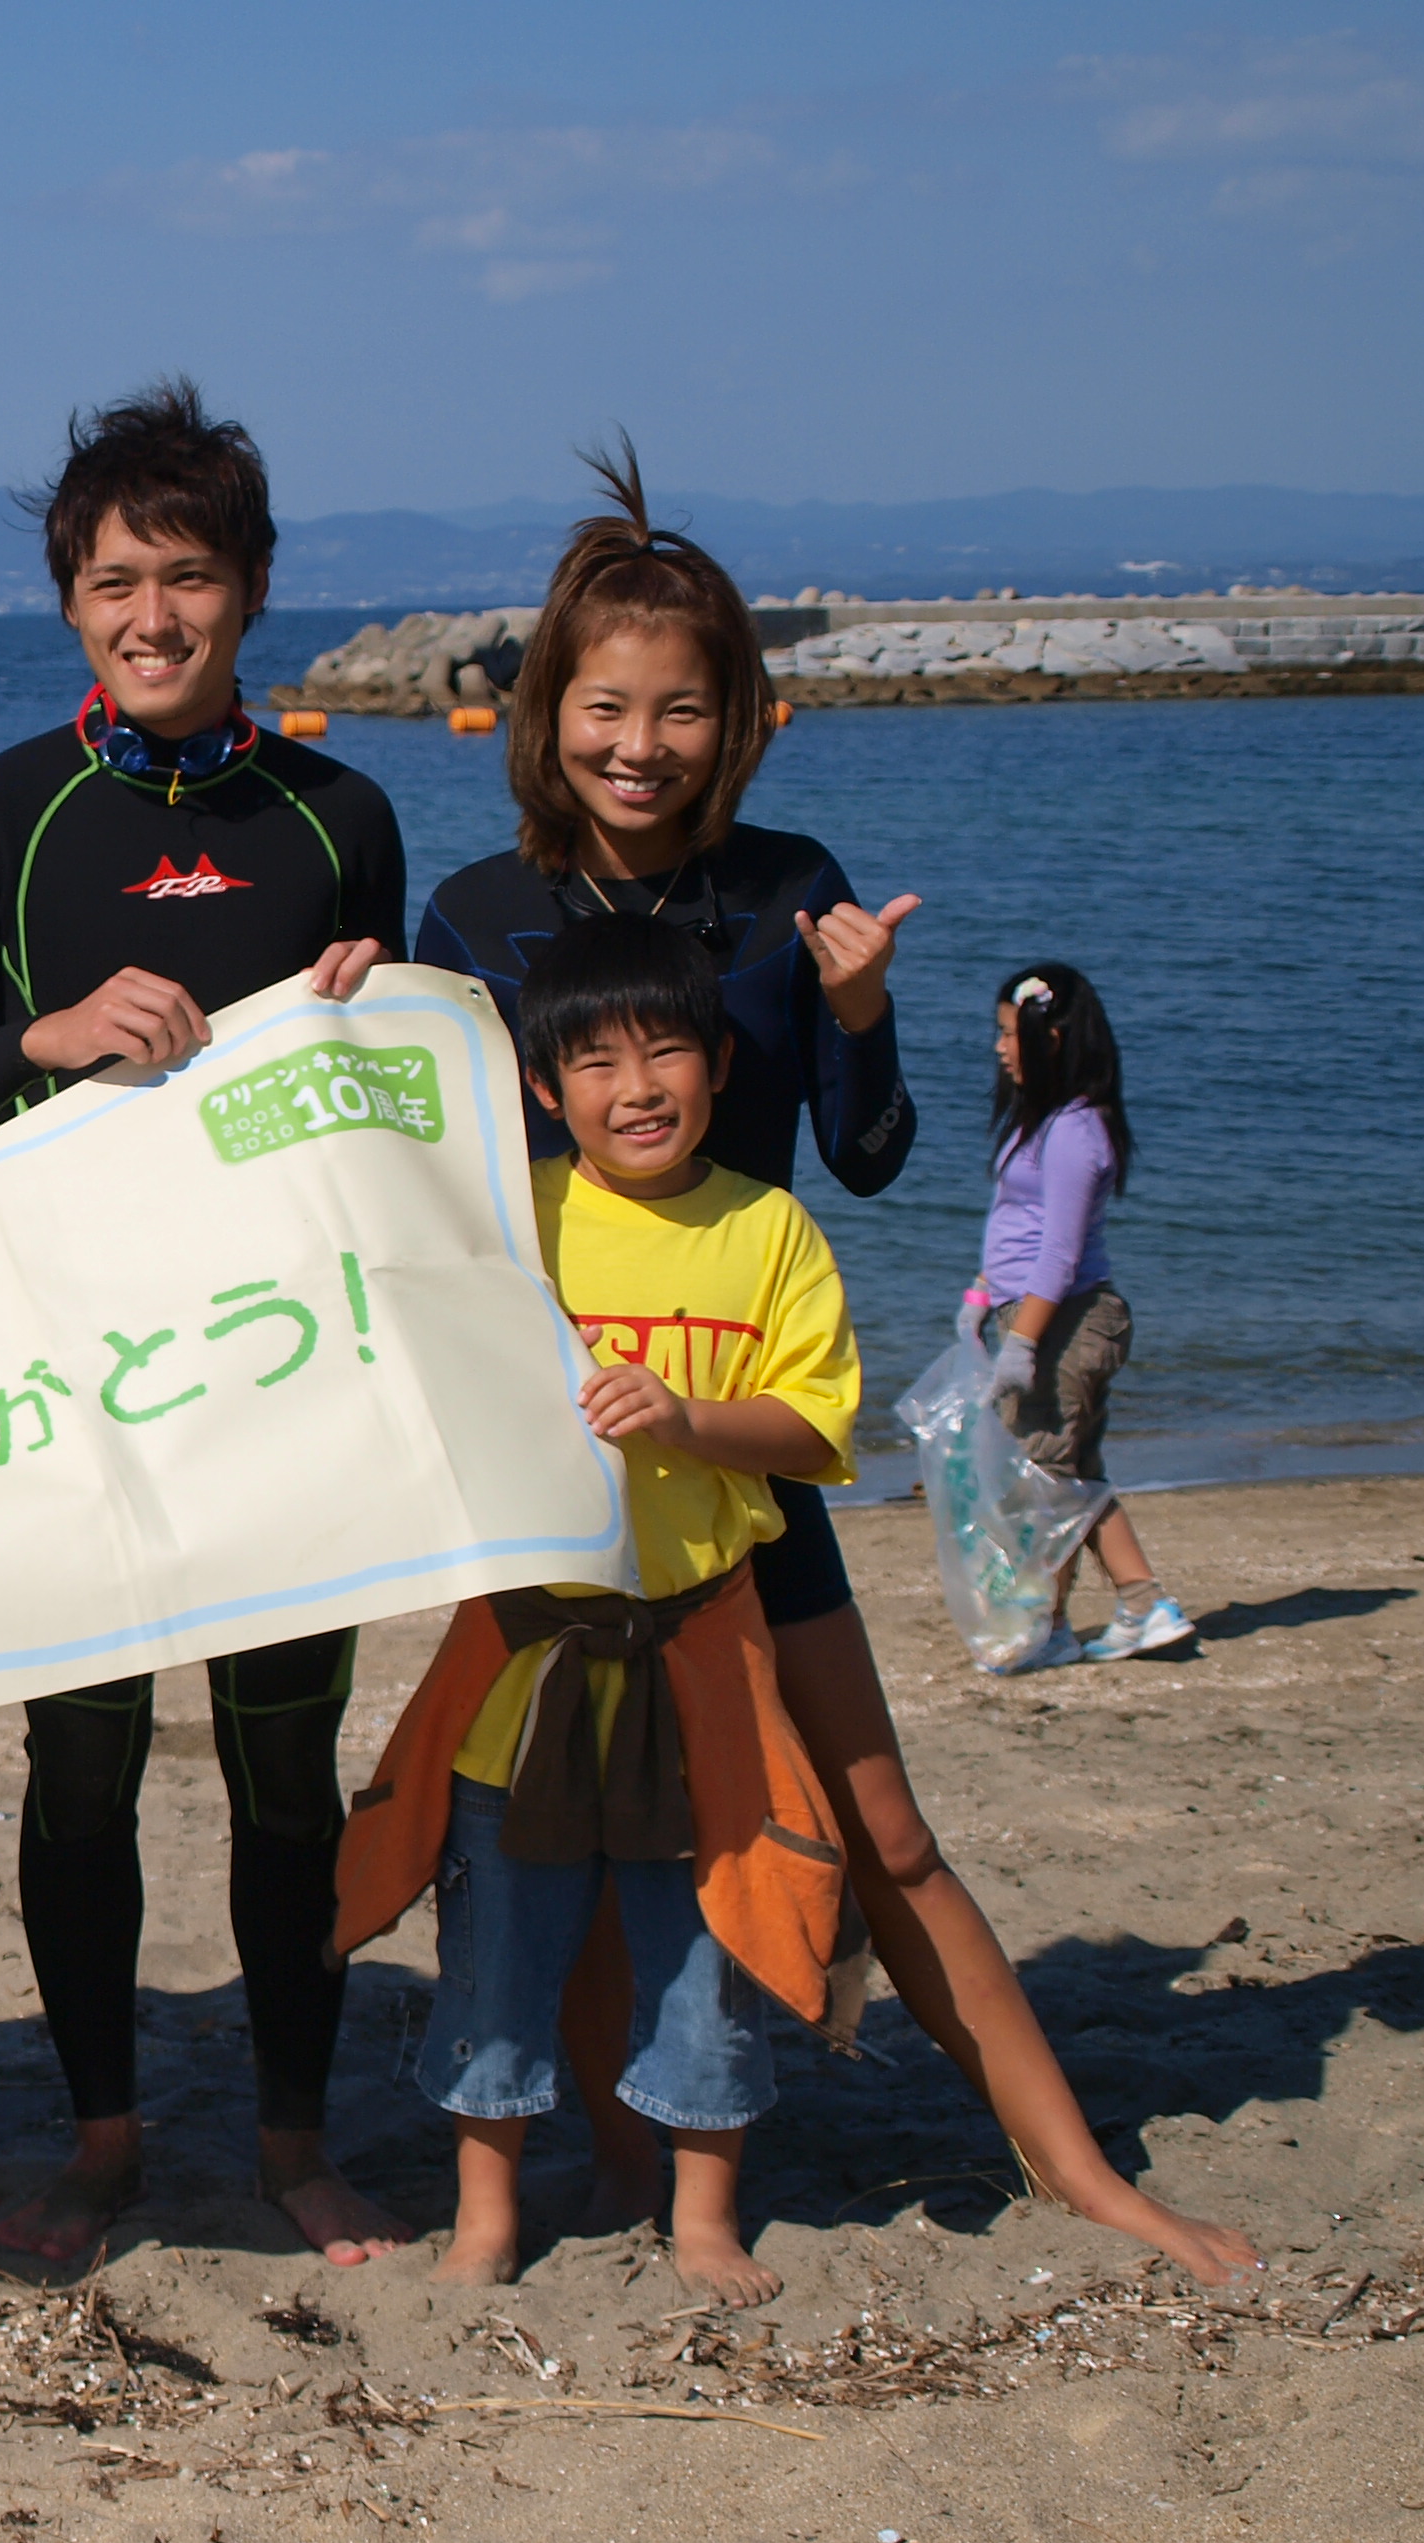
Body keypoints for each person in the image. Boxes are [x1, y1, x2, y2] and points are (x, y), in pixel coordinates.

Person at [411, 449, 1255, 2282]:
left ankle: (1087, 2180)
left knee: (881, 1827)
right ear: (545, 710)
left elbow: (863, 1160)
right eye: (604, 706)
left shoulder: (794, 891)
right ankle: (627, 2176)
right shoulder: (470, 918)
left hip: (736, 1441)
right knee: (573, 1833)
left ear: (738, 722)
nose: (640, 745)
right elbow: (428, 1199)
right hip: (558, 1471)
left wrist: (859, 1014)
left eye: (680, 710)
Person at [0, 379, 407, 2267]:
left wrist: (370, 1009)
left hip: (287, 1391)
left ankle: (295, 2139)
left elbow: (398, 1119)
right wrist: (50, 1036)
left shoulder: (339, 815)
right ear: (68, 603)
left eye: (187, 577)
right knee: (78, 1777)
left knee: (283, 1777)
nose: (150, 617)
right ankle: (102, 2138)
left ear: (252, 587)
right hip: (73, 1380)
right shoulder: (1, 812)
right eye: (112, 583)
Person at [339, 918, 858, 2304]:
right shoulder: (512, 1220)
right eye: (596, 1063)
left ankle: (703, 2218)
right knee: (497, 1945)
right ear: (542, 1088)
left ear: (722, 1064)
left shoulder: (766, 1227)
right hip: (529, 1654)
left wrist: (688, 1417)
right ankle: (486, 2216)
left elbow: (816, 1427)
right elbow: (372, 1281)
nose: (637, 1089)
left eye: (668, 1051)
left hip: (701, 1648)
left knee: (708, 1945)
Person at [980, 963, 1187, 1664]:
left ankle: (1050, 1626)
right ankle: (1137, 1604)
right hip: (1045, 1314)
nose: (1001, 1049)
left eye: (1011, 1034)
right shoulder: (1046, 1122)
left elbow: (1060, 1255)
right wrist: (981, 1294)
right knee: (1073, 1474)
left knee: (1047, 1479)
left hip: (1064, 1319)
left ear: (1054, 1038)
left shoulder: (1074, 1130)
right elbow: (1017, 1222)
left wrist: (1022, 1344)